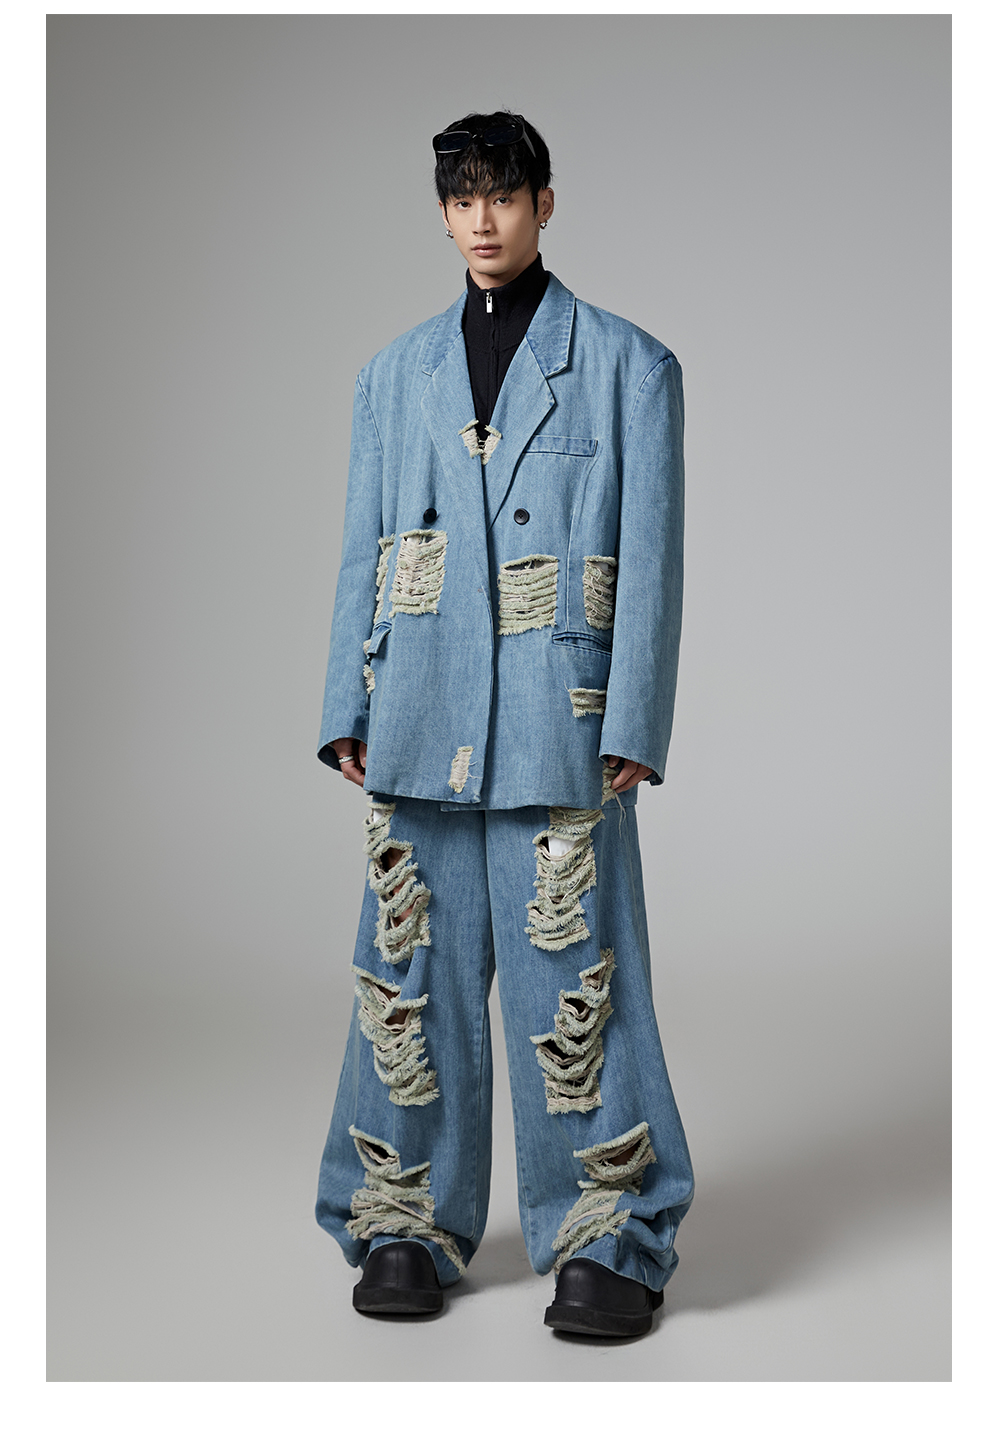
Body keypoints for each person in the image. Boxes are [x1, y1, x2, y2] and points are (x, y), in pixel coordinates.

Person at [314, 111, 694, 1338]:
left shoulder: (629, 365)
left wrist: (634, 715)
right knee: (408, 976)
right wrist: (344, 704)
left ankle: (608, 1230)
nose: (483, 218)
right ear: (442, 213)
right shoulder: (393, 375)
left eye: (504, 195)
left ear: (544, 204)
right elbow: (367, 543)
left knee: (576, 977)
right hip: (418, 707)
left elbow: (651, 558)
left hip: (555, 716)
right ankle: (401, 1215)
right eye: (462, 197)